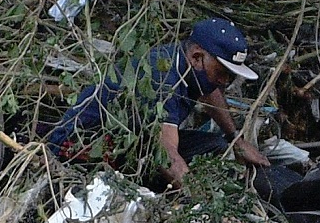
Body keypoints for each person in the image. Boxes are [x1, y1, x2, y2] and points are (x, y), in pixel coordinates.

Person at [46, 17, 271, 185]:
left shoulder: (188, 65)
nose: (224, 81)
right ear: (197, 57)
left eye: (229, 76)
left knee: (216, 146)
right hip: (84, 149)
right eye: (221, 72)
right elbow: (166, 154)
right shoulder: (162, 78)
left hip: (134, 142)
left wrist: (236, 139)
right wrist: (205, 206)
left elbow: (210, 91)